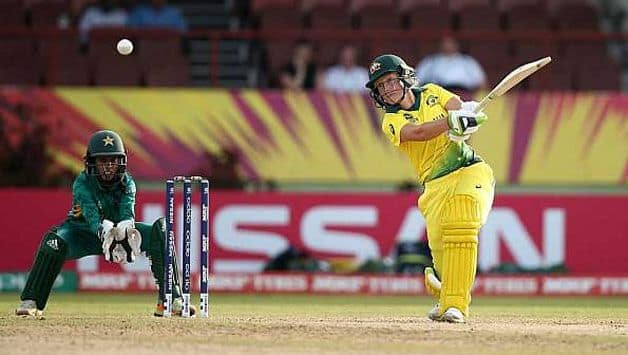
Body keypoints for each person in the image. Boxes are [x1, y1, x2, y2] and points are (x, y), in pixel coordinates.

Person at [365, 54, 494, 323]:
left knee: (462, 224)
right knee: (443, 253)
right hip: (434, 186)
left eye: (390, 80)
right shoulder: (391, 121)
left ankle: (457, 305)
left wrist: (465, 121)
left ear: (404, 77)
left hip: (469, 170)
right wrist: (450, 123)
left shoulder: (433, 92)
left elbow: (456, 106)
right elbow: (419, 133)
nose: (387, 88)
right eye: (381, 86)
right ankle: (446, 295)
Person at [16, 130, 193, 318]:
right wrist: (104, 230)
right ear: (91, 162)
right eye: (103, 161)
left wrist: (124, 234)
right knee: (53, 242)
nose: (109, 167)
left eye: (113, 161)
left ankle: (171, 300)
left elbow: (127, 213)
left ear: (121, 162)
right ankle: (31, 301)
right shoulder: (82, 183)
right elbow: (92, 217)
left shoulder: (128, 183)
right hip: (82, 233)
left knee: (162, 230)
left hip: (118, 232)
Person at [415, 36, 486, 93]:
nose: (448, 46)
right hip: (437, 93)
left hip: (462, 93)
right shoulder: (430, 61)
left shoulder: (467, 61)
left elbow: (481, 83)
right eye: (445, 43)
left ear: (456, 45)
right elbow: (417, 81)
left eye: (450, 43)